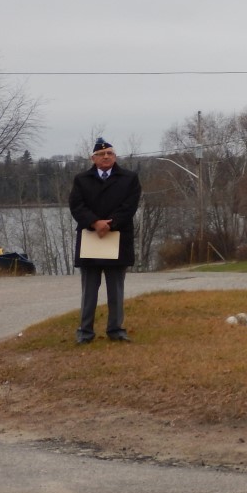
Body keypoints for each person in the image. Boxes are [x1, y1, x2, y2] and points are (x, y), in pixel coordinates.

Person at [69, 137, 141, 344]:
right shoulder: (81, 180)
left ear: (115, 156)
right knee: (89, 290)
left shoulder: (129, 178)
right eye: (101, 154)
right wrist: (94, 222)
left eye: (109, 153)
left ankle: (116, 330)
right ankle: (85, 332)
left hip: (118, 239)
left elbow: (130, 206)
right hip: (90, 240)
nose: (106, 157)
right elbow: (76, 206)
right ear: (93, 158)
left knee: (116, 290)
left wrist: (110, 223)